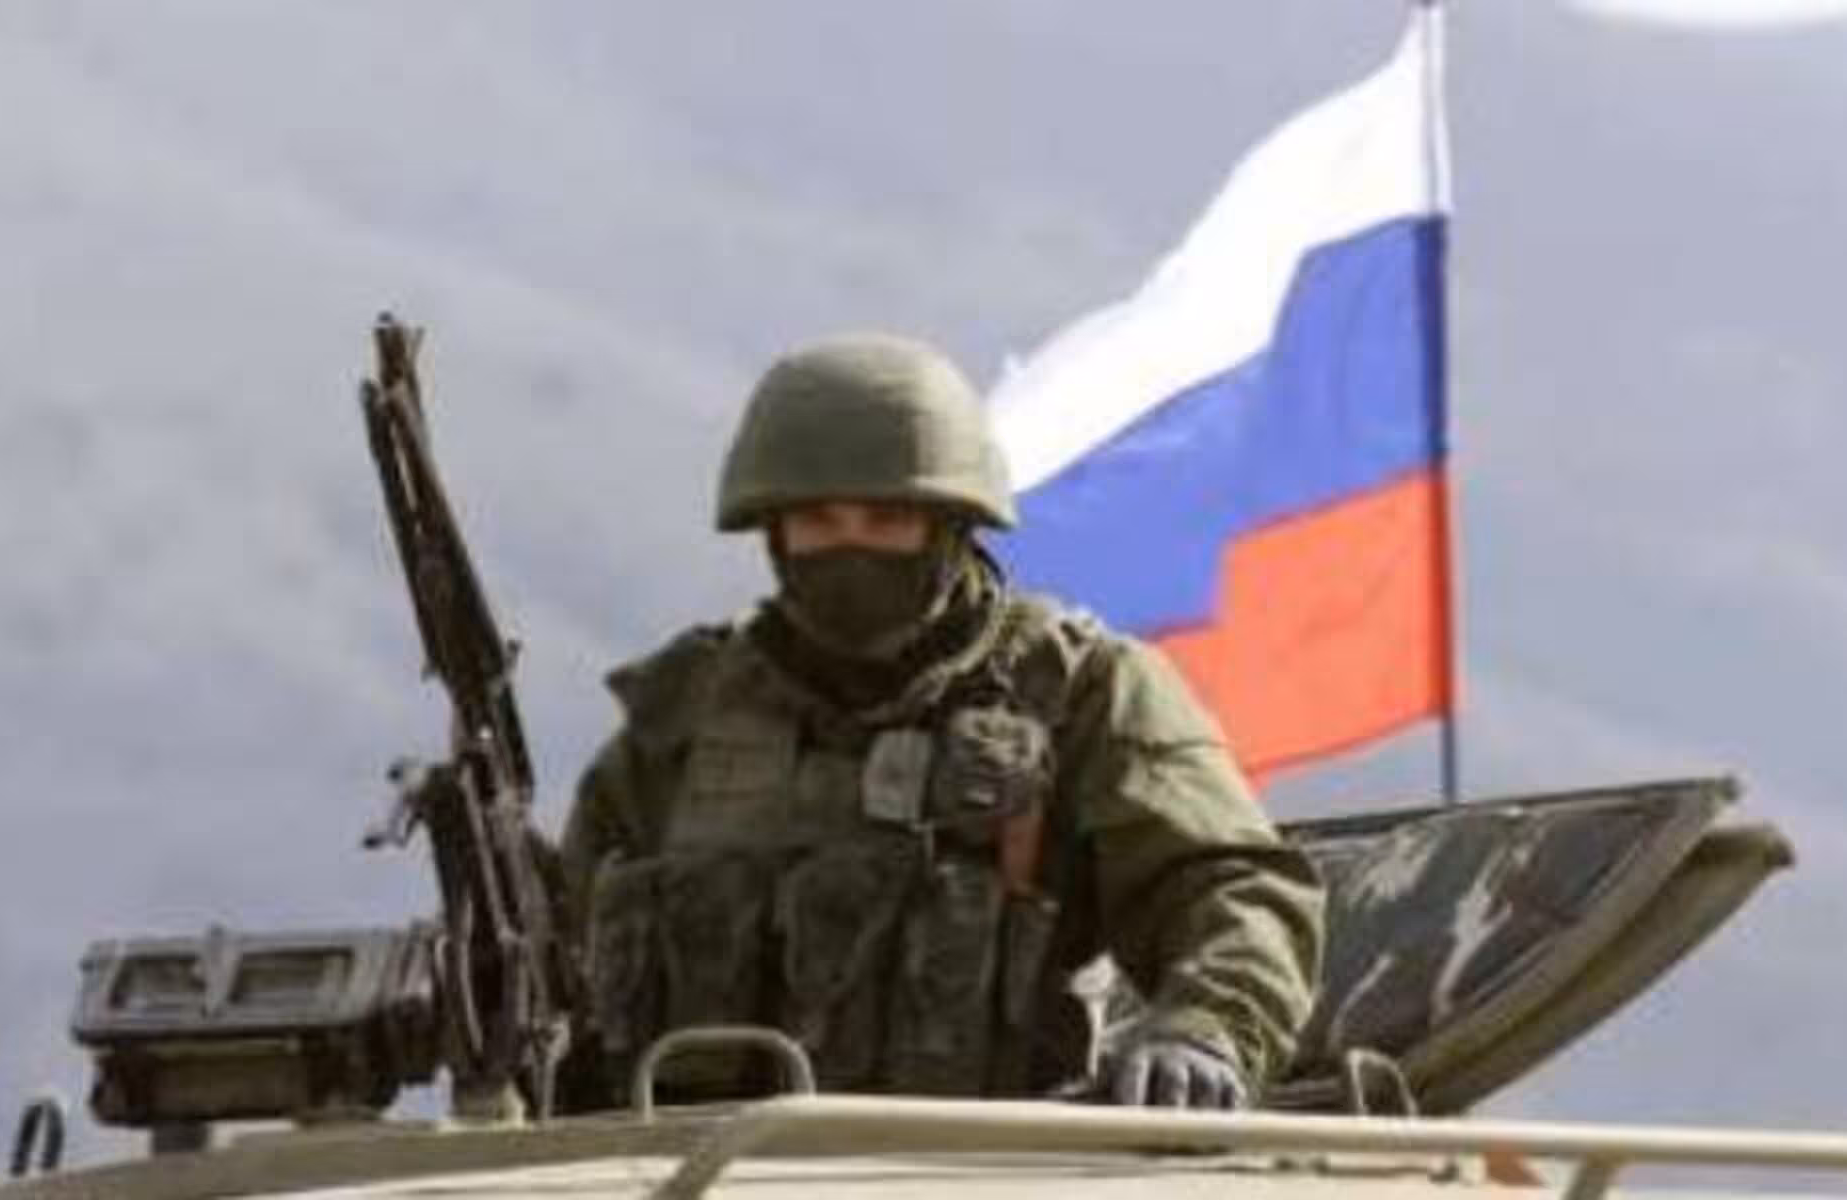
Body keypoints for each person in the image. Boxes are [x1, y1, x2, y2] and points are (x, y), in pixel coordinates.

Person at [558, 332, 1324, 1111]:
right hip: (695, 1163)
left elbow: (1233, 889)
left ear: (953, 526)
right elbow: (557, 945)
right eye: (818, 521)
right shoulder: (683, 722)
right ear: (774, 533)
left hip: (980, 1159)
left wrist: (1205, 1030)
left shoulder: (1082, 692)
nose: (851, 549)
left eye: (887, 520)